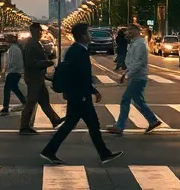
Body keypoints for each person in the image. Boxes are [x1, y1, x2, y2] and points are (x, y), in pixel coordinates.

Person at [40, 22, 123, 166]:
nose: (90, 36)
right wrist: (89, 92)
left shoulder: (74, 50)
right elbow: (82, 76)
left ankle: (103, 153)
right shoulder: (81, 52)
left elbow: (77, 75)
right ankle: (103, 154)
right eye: (89, 33)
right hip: (80, 95)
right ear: (83, 36)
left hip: (76, 94)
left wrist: (92, 91)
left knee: (81, 124)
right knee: (87, 125)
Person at [107, 25, 163, 136]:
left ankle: (119, 126)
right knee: (138, 100)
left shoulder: (140, 44)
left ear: (136, 31)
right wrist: (126, 72)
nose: (127, 32)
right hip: (135, 75)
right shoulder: (134, 43)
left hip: (138, 77)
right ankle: (153, 120)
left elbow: (139, 62)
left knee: (125, 99)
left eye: (130, 30)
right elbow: (132, 62)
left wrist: (127, 74)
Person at [19, 22, 63, 134]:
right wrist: (46, 63)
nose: (39, 33)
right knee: (31, 102)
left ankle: (55, 120)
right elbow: (31, 63)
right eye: (37, 31)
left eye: (40, 31)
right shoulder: (32, 44)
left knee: (44, 101)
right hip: (34, 78)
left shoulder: (34, 43)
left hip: (38, 77)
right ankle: (24, 127)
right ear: (32, 32)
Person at [0, 35, 26, 115]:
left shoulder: (13, 49)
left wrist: (7, 69)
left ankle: (5, 108)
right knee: (14, 88)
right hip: (16, 71)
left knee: (7, 89)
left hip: (13, 72)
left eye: (6, 40)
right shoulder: (15, 48)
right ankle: (24, 102)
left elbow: (12, 61)